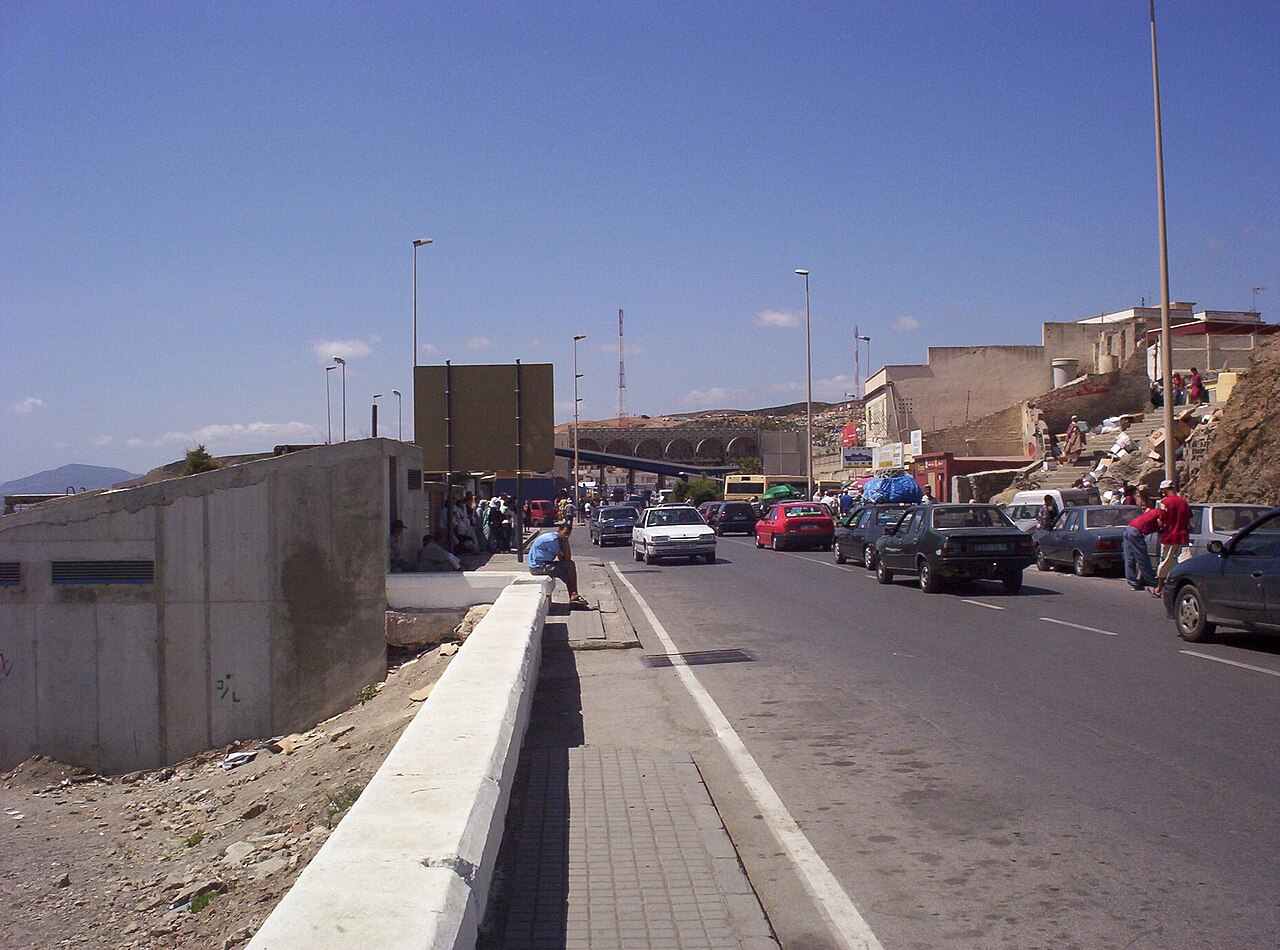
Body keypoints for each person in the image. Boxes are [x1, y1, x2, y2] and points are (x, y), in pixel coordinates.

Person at [526, 522, 589, 607]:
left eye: (568, 535)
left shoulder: (561, 540)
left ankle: (573, 598)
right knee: (570, 566)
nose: (566, 536)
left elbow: (567, 559)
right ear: (559, 531)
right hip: (537, 567)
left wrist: (566, 543)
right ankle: (574, 594)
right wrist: (565, 544)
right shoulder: (552, 540)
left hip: (545, 564)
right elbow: (562, 559)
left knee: (567, 571)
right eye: (565, 533)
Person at [1152, 480, 1192, 596]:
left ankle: (1159, 588)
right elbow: (1189, 520)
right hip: (1183, 536)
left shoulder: (1164, 502)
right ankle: (1184, 587)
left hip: (1169, 537)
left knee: (1165, 562)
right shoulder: (1184, 502)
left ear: (1164, 490)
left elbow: (1161, 521)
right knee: (1184, 562)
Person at [1123, 505, 1162, 592]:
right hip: (1136, 532)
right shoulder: (1160, 513)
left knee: (1130, 558)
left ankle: (1133, 582)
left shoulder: (1153, 512)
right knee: (1142, 559)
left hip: (1129, 528)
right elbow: (1161, 524)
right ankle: (1153, 583)